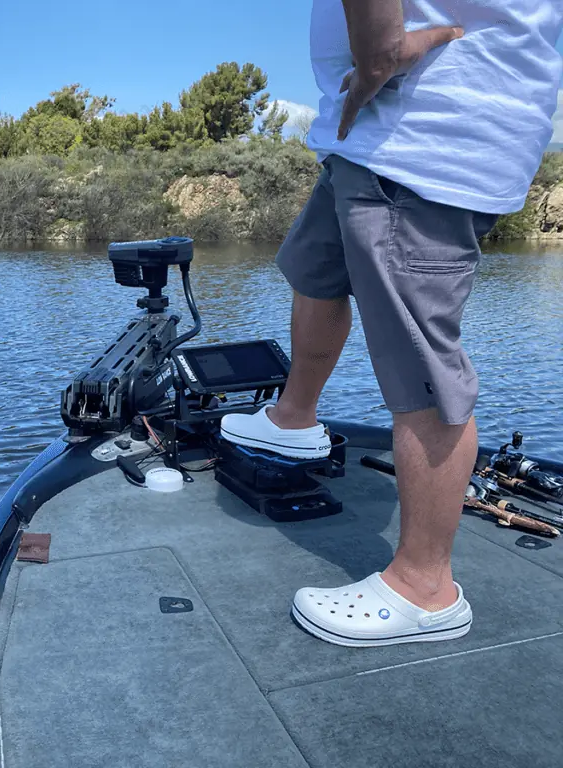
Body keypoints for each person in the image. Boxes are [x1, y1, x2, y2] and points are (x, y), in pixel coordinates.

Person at [220, 0, 563, 647]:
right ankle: (294, 419)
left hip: (422, 136)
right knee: (314, 267)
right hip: (375, 128)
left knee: (420, 364)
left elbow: (381, 41)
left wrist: (380, 54)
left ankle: (426, 587)